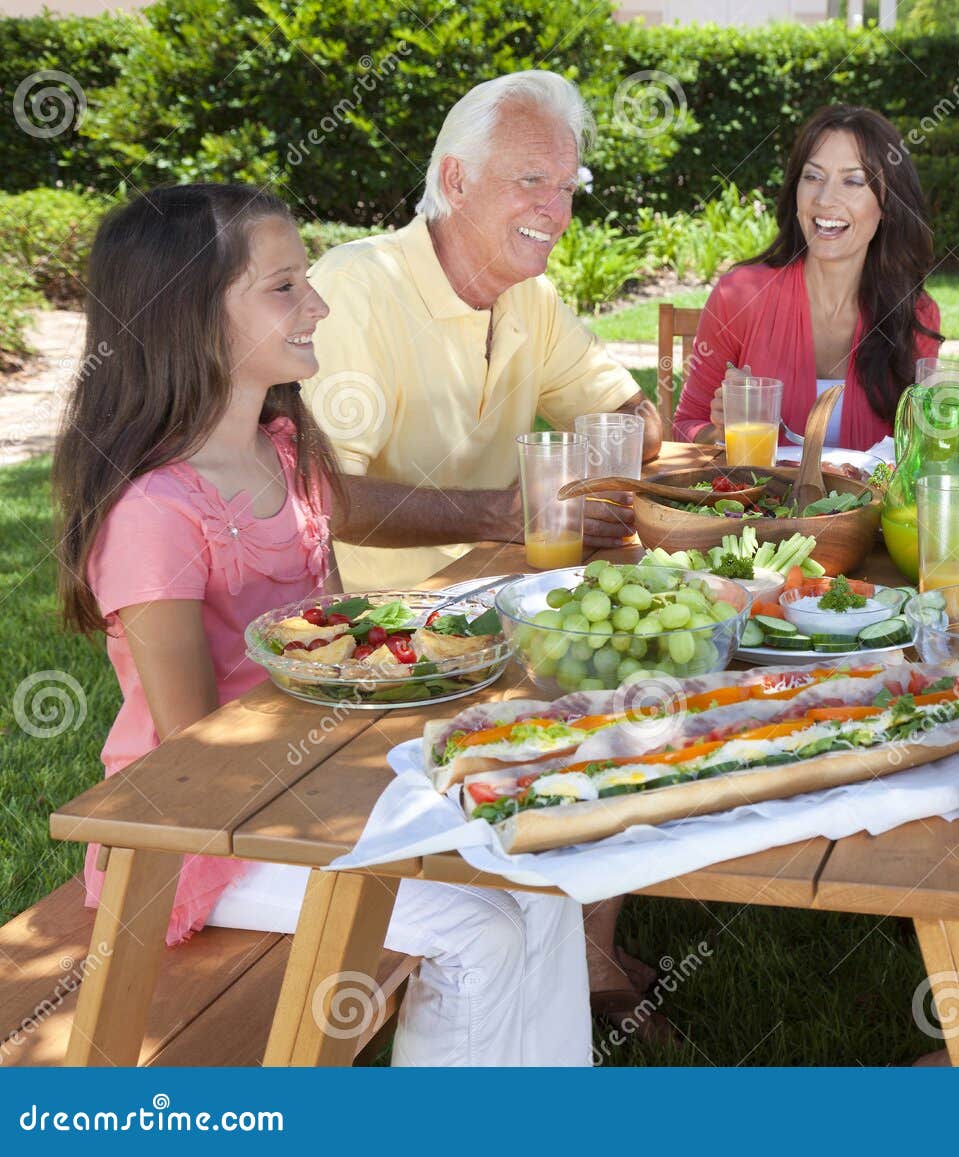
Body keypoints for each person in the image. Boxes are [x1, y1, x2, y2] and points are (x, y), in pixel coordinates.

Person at [52, 185, 588, 1065]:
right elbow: (195, 761)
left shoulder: (285, 455)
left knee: (547, 877)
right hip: (195, 845)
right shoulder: (155, 512)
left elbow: (337, 645)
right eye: (285, 287)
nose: (321, 304)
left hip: (312, 793)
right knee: (478, 924)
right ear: (190, 316)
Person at [305, 69, 663, 593]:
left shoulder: (529, 295)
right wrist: (506, 512)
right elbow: (320, 499)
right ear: (456, 180)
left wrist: (559, 476)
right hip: (384, 632)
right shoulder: (355, 286)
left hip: (505, 593)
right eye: (531, 180)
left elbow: (640, 422)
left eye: (566, 187)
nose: (557, 211)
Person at [672, 105, 942, 451]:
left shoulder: (915, 314)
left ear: (888, 204)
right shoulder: (739, 296)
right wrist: (722, 433)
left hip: (870, 506)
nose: (825, 199)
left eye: (853, 181)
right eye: (812, 177)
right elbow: (685, 426)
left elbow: (920, 454)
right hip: (763, 504)